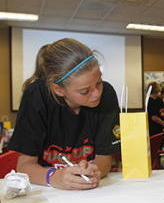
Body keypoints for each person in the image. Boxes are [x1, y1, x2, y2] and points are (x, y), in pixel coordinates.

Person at [7, 38, 120, 190]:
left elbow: (104, 159)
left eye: (99, 82)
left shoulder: (107, 95)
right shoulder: (36, 96)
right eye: (84, 91)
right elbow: (25, 166)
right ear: (59, 90)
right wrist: (54, 177)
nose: (96, 94)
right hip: (46, 191)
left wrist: (95, 170)